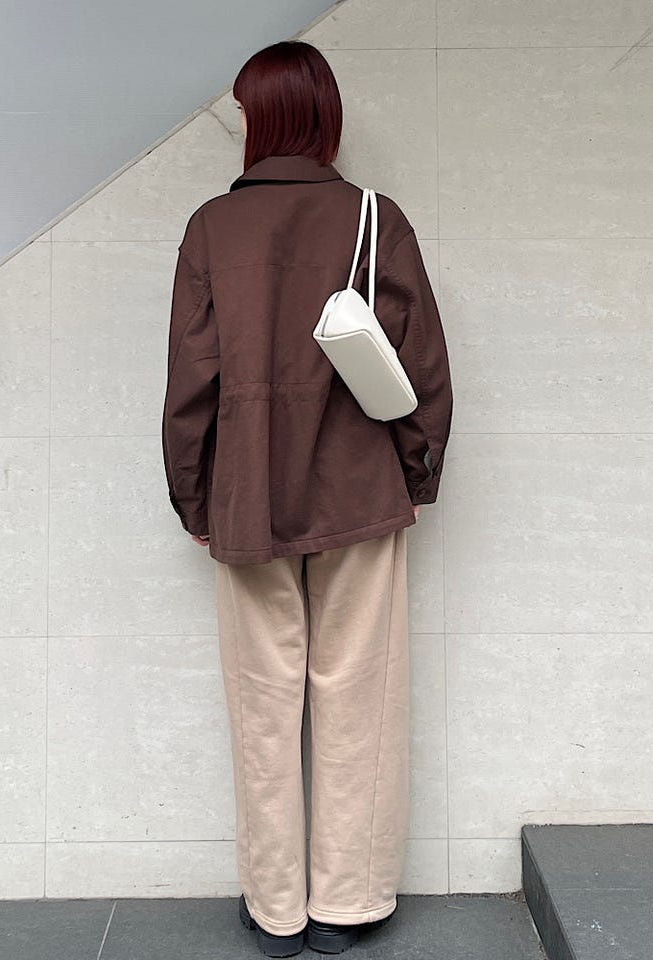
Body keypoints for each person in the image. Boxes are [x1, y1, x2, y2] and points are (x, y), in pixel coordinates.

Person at [162, 40, 453, 958]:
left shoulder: (213, 227)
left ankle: (278, 909)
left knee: (261, 700)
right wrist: (418, 472)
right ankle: (347, 906)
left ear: (258, 120)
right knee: (360, 695)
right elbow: (422, 364)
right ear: (327, 118)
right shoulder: (375, 218)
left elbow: (190, 381)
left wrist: (195, 497)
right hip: (359, 488)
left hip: (246, 496)